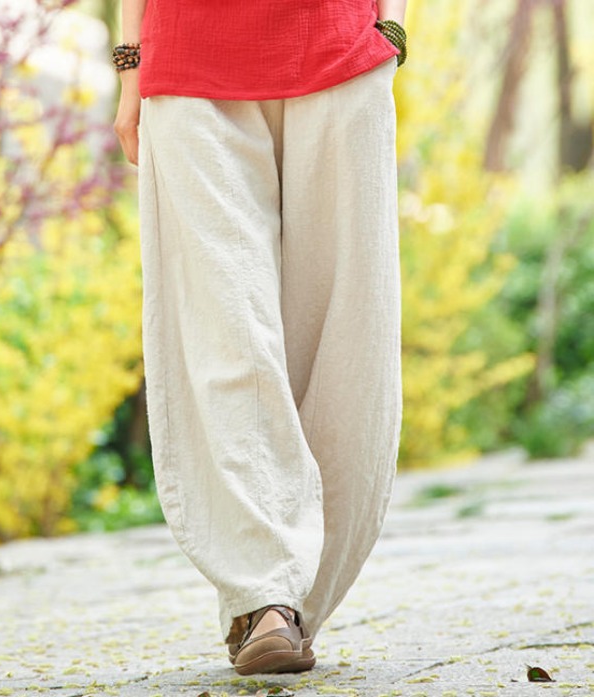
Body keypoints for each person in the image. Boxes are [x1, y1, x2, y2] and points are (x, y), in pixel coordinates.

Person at [114, 0, 407, 677]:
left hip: (339, 49)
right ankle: (266, 593)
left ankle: (293, 595)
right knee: (226, 328)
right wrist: (130, 67)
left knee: (344, 336)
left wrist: (390, 29)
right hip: (188, 59)